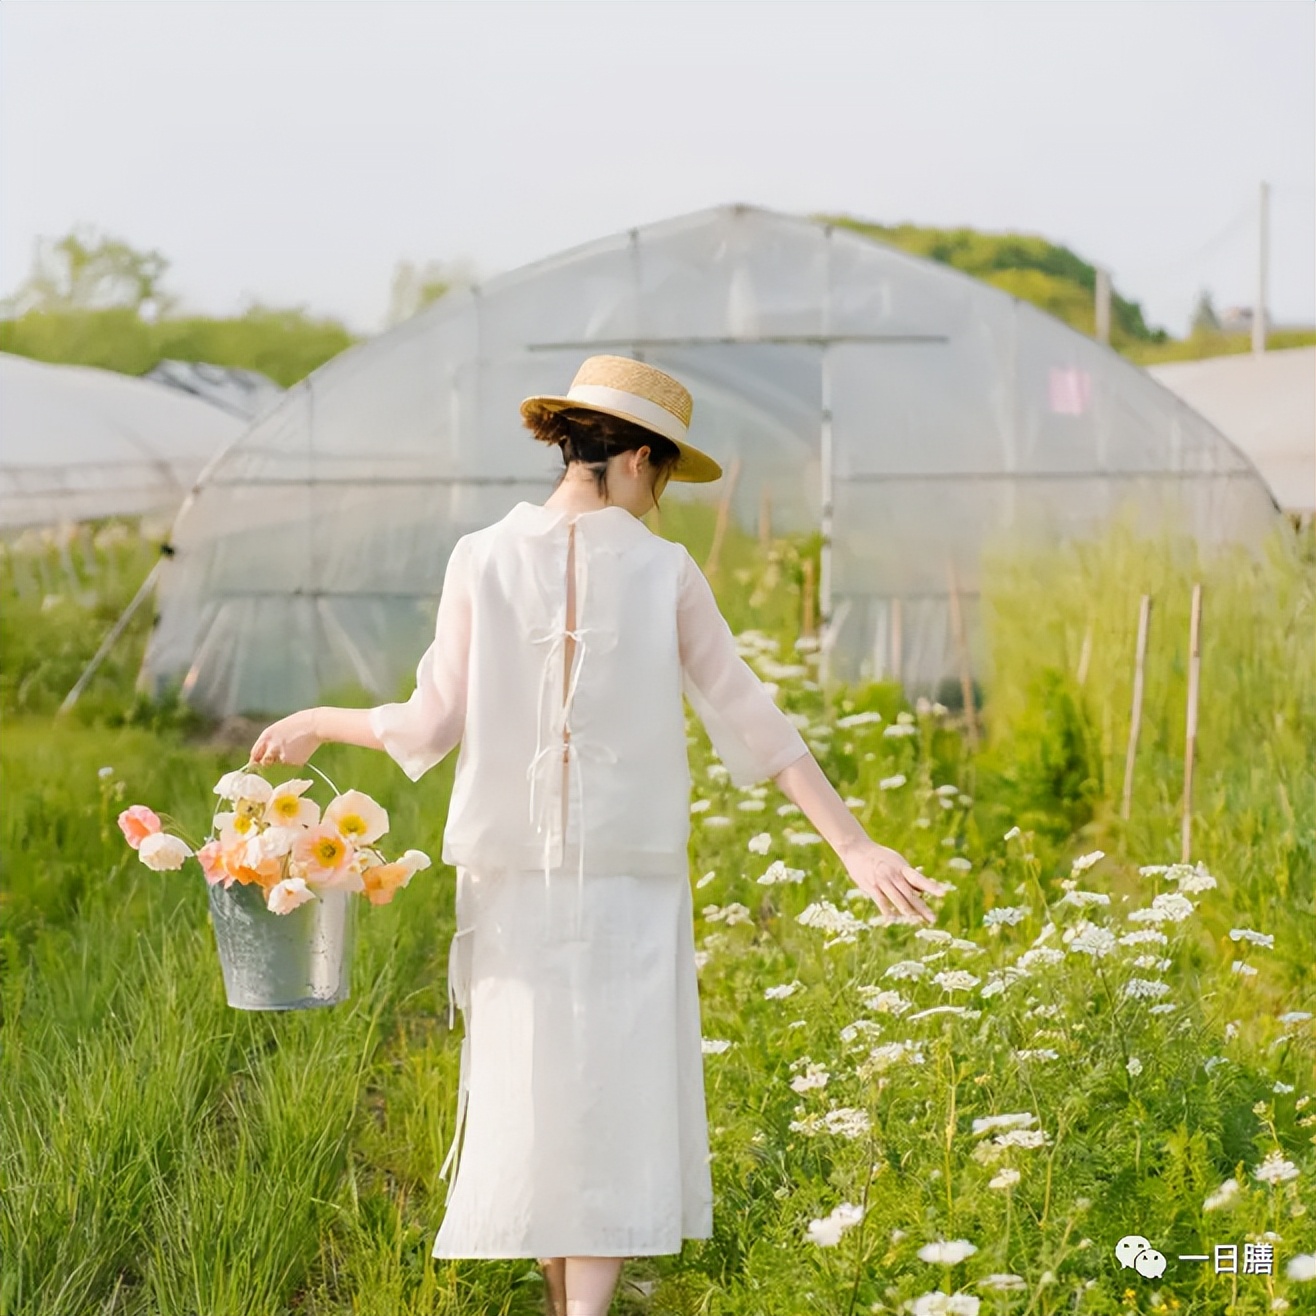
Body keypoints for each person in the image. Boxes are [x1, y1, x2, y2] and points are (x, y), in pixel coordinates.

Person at [250, 354, 947, 1316]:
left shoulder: (479, 556)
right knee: (613, 1094)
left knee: (531, 1088)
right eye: (661, 478)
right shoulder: (664, 570)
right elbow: (751, 715)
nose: (659, 500)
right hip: (629, 880)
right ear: (635, 462)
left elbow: (425, 726)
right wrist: (853, 845)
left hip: (508, 875)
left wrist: (325, 718)